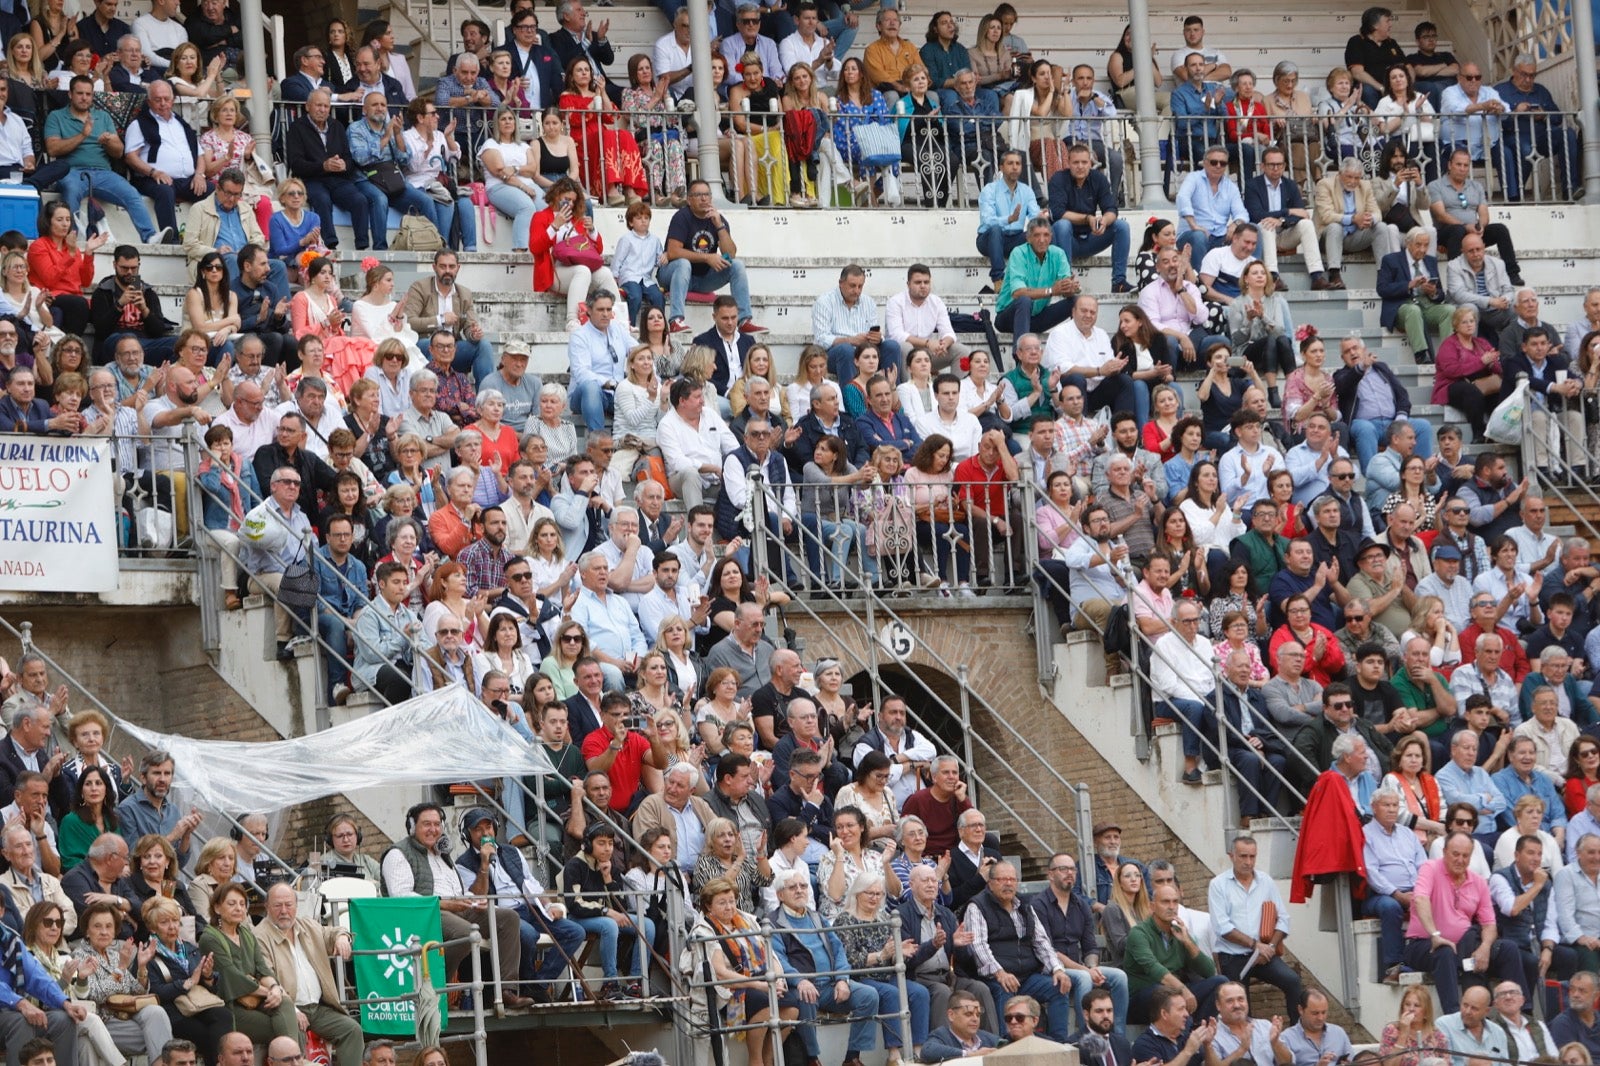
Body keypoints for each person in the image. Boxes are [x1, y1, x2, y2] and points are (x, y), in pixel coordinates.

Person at [380, 803, 529, 1004]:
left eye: (436, 824)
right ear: (412, 826)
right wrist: (446, 904)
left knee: (508, 918)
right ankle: (434, 990)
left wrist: (473, 899)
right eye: (426, 824)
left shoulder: (443, 855)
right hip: (426, 914)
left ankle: (506, 992)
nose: (433, 829)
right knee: (466, 932)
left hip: (456, 910)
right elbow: (401, 897)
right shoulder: (398, 854)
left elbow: (461, 893)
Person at [1404, 830, 1524, 1011]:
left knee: (1508, 949)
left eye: (1465, 855)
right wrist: (1435, 935)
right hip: (1424, 944)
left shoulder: (1478, 882)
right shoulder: (1430, 868)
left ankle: (1518, 1012)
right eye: (1455, 854)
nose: (1460, 860)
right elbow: (1421, 899)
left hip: (1463, 947)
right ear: (1444, 852)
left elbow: (1489, 923)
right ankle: (1453, 1016)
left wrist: (1484, 947)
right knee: (1444, 952)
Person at [42, 77, 165, 245]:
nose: (84, 98)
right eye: (80, 93)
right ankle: (70, 240)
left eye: (88, 94)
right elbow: (53, 149)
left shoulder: (103, 117)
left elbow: (119, 152)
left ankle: (149, 236)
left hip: (103, 172)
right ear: (70, 94)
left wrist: (110, 142)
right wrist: (83, 135)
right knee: (71, 190)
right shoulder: (56, 116)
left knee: (131, 194)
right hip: (71, 172)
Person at [1029, 851, 1129, 1033]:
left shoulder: (1081, 904)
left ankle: (1118, 1035)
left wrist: (1092, 967)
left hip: (1079, 966)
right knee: (1083, 977)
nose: (1069, 873)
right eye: (1063, 869)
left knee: (1119, 977)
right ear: (1050, 874)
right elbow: (1048, 949)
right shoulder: (1039, 904)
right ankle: (1087, 1036)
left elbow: (1090, 946)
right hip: (1050, 969)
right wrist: (1085, 970)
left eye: (1072, 869)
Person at [284, 89, 384, 253]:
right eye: (318, 105)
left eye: (326, 106)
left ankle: (362, 246)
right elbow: (296, 164)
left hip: (338, 179)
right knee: (322, 199)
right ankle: (330, 245)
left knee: (360, 200)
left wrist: (344, 165)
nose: (322, 109)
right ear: (308, 106)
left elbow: (350, 159)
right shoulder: (297, 128)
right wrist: (323, 166)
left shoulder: (337, 126)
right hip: (311, 179)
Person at [660, 180, 761, 335]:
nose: (704, 199)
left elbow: (731, 254)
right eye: (698, 195)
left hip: (702, 278)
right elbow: (673, 252)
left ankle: (744, 320)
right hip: (673, 274)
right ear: (689, 200)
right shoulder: (682, 217)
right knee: (683, 264)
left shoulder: (717, 219)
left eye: (707, 194)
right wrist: (707, 258)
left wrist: (719, 225)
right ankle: (676, 320)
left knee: (737, 265)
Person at [922, 989, 1001, 1061]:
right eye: (968, 1014)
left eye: (978, 1014)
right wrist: (969, 1054)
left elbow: (1007, 1045)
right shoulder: (942, 1035)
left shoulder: (986, 1038)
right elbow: (927, 1050)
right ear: (951, 1015)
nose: (975, 1019)